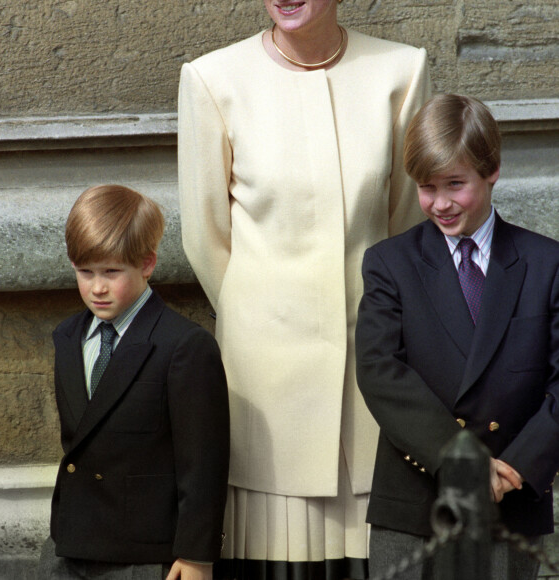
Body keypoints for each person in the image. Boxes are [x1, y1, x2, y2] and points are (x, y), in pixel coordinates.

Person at [178, 1, 431, 577]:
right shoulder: (212, 79)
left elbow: (405, 226)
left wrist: (372, 323)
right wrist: (263, 317)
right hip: (265, 387)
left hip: (373, 372)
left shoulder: (403, 70)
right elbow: (206, 235)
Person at [355, 94, 559, 579]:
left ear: (492, 170)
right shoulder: (390, 263)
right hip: (413, 503)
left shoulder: (546, 264)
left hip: (507, 498)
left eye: (455, 184)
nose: (440, 204)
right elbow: (380, 371)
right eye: (427, 187)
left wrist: (511, 470)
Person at [37, 185, 230, 580]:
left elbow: (203, 463)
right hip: (69, 546)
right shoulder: (68, 337)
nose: (97, 288)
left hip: (144, 554)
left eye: (111, 272)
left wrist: (196, 556)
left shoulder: (184, 346)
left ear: (147, 263)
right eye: (84, 272)